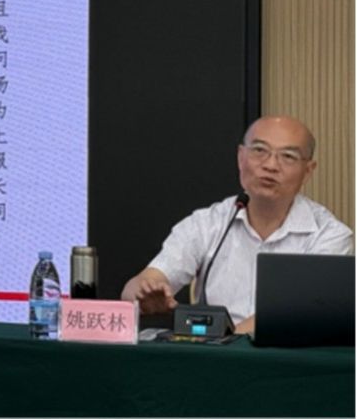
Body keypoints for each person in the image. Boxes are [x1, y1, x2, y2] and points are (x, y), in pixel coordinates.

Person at [120, 115, 353, 335]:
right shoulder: (206, 223)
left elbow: (298, 313)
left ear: (308, 171)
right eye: (260, 151)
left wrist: (227, 340)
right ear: (241, 158)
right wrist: (143, 293)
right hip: (215, 354)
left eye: (288, 156)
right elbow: (139, 286)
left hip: (287, 360)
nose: (271, 165)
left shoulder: (330, 236)